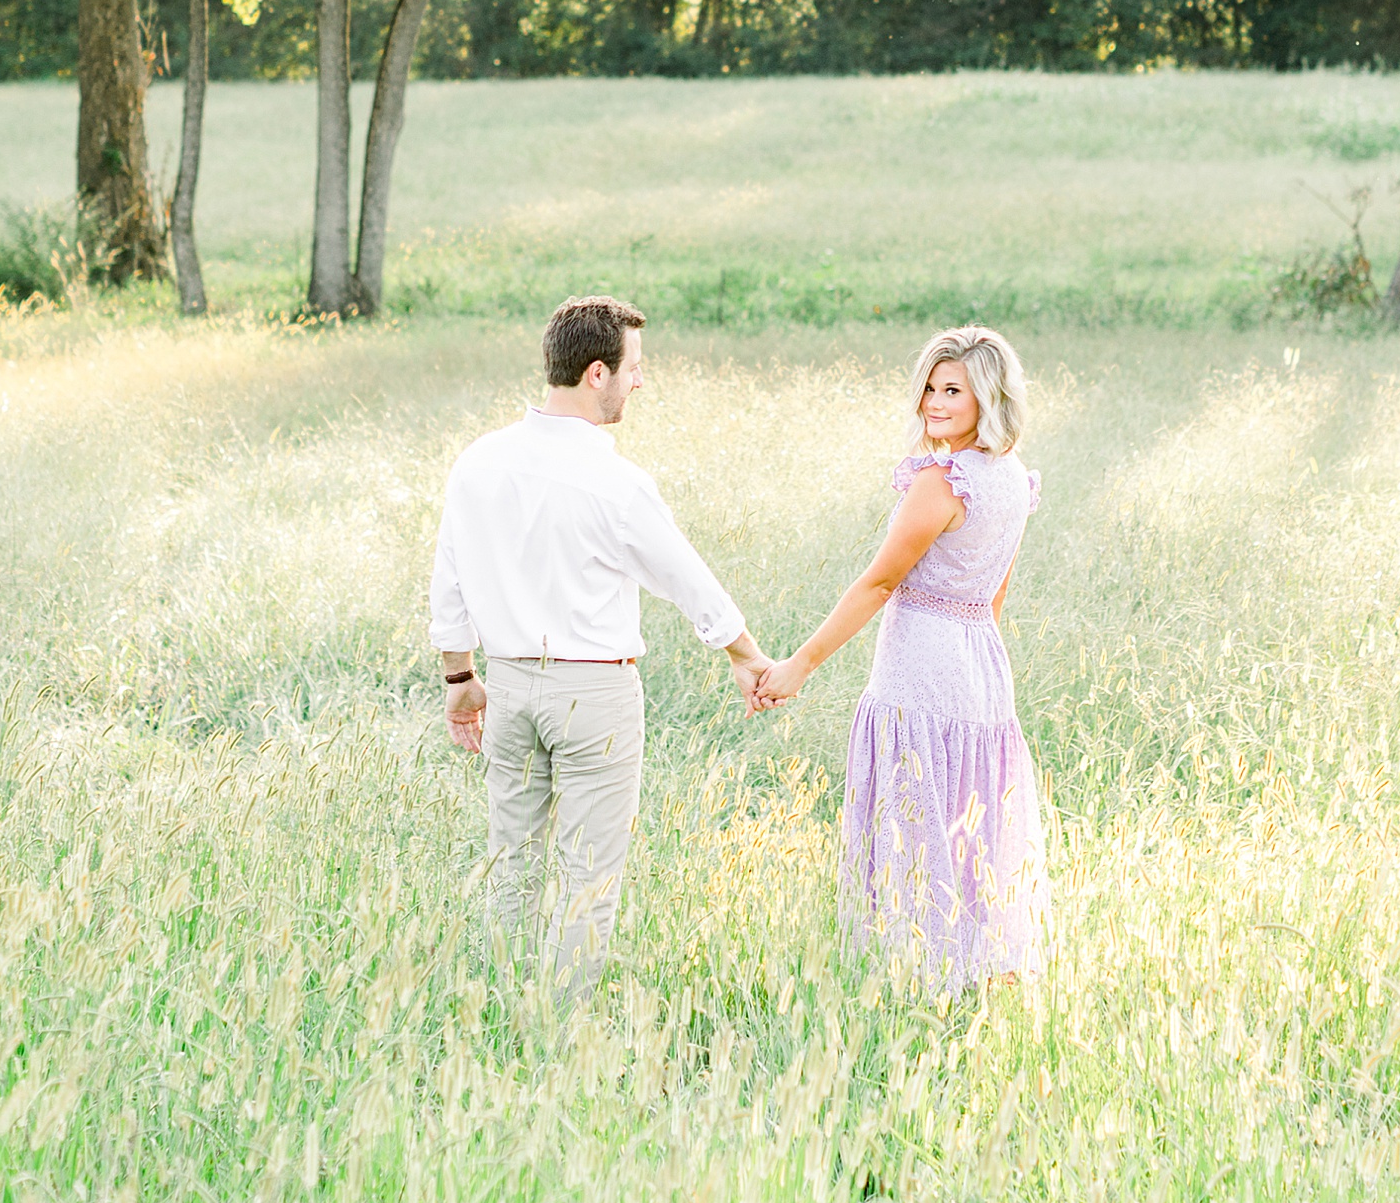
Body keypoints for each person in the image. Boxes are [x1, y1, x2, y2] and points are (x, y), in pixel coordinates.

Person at [430, 294, 769, 1002]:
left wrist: (459, 678)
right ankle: (560, 1029)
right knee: (589, 875)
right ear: (596, 373)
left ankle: (503, 1011)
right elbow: (685, 578)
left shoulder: (479, 462)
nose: (639, 381)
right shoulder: (616, 483)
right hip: (594, 695)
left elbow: (449, 578)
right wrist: (744, 653)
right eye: (633, 368)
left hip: (508, 685)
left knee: (511, 861)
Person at [754, 325, 1050, 990]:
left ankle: (914, 978)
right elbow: (995, 596)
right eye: (930, 388)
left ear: (988, 398)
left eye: (954, 391)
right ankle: (976, 976)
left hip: (920, 669)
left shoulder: (942, 482)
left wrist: (799, 665)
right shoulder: (1011, 478)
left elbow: (880, 582)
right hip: (982, 669)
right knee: (970, 829)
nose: (934, 403)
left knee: (913, 829)